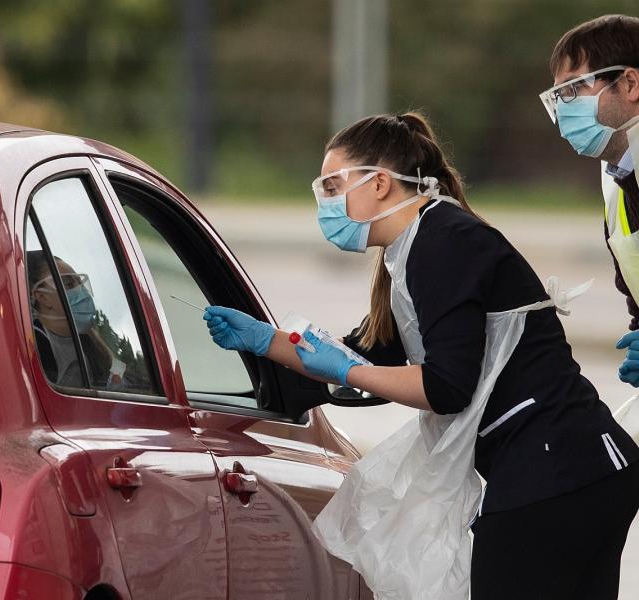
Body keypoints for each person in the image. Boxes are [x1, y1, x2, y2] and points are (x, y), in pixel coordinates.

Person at [202, 113, 639, 599]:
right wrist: (266, 341)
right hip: (580, 469)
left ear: (381, 183)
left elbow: (445, 387)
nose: (323, 202)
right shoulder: (415, 247)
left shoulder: (443, 240)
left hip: (559, 468)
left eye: (331, 185)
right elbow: (363, 351)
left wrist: (350, 370)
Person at [540, 15, 639, 385]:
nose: (564, 108)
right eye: (557, 96)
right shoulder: (618, 180)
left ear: (630, 83)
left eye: (573, 89)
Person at [27, 250, 125, 390]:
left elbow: (119, 382)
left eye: (79, 282)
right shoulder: (35, 346)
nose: (81, 290)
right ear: (42, 297)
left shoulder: (89, 339)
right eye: (68, 284)